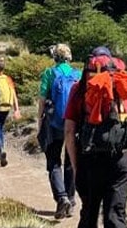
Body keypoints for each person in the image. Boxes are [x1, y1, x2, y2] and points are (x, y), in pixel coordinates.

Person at [64, 47, 127, 228]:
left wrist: (75, 167)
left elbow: (69, 131)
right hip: (121, 160)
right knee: (115, 216)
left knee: (89, 214)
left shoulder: (79, 88)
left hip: (89, 160)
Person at [38, 43, 79, 219]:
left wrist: (39, 121)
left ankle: (62, 198)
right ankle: (71, 198)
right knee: (70, 162)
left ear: (55, 56)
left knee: (53, 161)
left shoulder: (49, 73)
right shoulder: (77, 74)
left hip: (54, 123)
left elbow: (42, 100)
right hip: (73, 124)